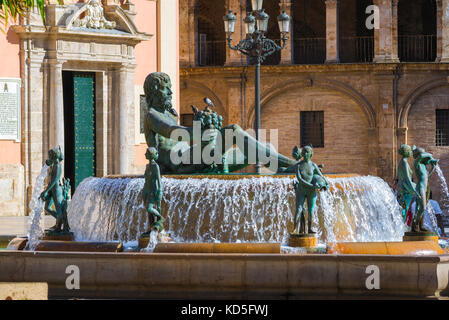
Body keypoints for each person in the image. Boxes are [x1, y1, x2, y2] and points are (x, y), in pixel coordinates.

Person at [292, 146, 329, 235]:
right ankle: (295, 229)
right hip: (301, 190)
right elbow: (300, 179)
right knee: (298, 209)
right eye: (304, 152)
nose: (305, 154)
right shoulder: (298, 165)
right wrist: (312, 186)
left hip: (311, 192)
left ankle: (310, 229)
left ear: (311, 154)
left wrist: (326, 184)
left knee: (311, 210)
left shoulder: (313, 165)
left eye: (307, 152)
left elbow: (321, 176)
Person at [142, 147, 164, 234]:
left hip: (153, 191)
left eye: (147, 153)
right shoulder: (147, 166)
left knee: (150, 209)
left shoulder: (156, 166)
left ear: (151, 155)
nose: (145, 154)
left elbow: (159, 180)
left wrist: (160, 191)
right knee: (148, 211)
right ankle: (151, 229)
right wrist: (144, 191)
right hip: (146, 190)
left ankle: (161, 218)